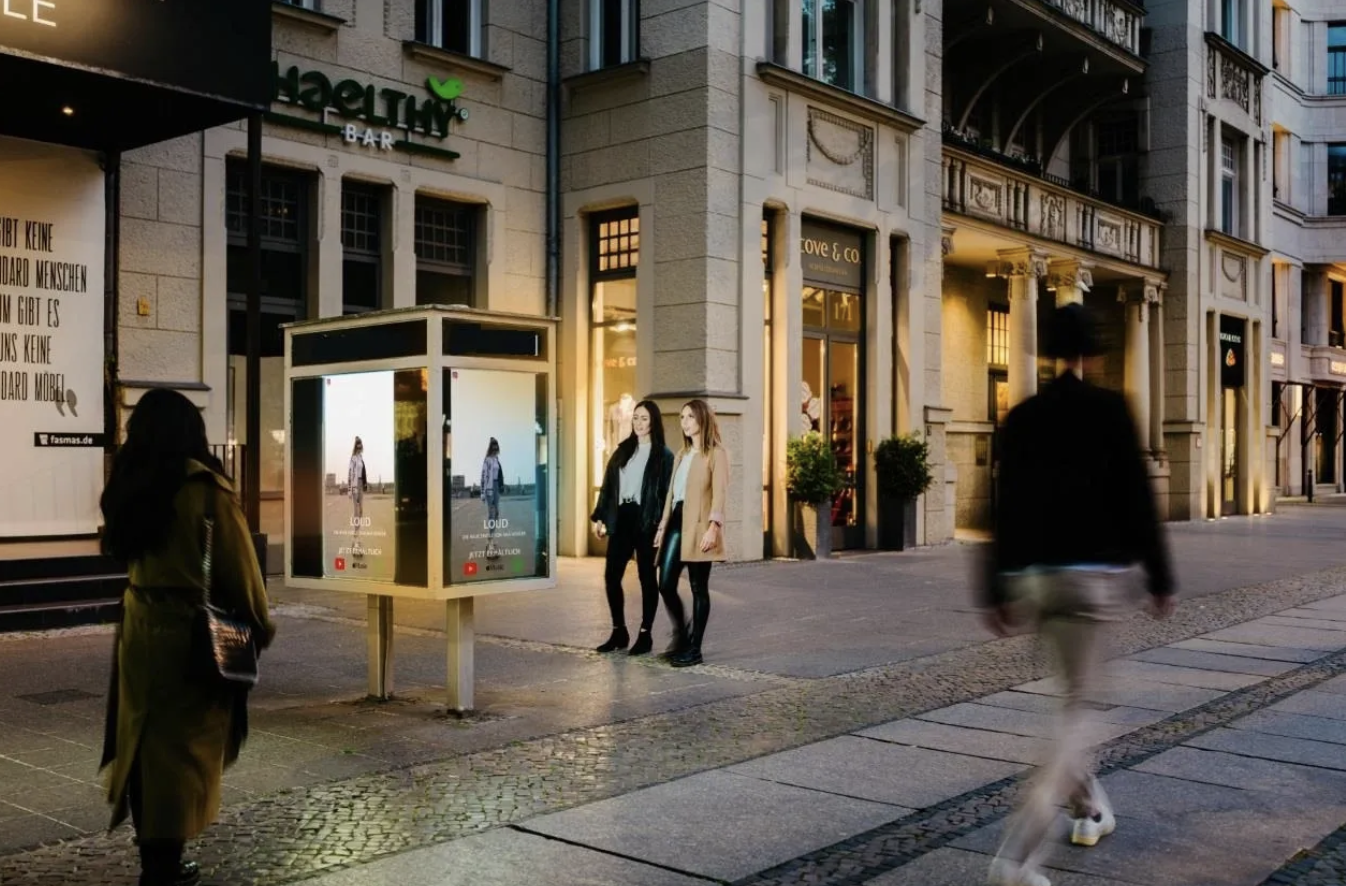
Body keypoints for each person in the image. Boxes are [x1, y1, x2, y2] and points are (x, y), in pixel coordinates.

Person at [982, 303, 1175, 886]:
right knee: (1081, 713)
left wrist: (995, 586)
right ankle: (1016, 857)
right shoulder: (1110, 411)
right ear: (1091, 354)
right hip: (1092, 580)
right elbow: (1138, 500)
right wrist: (1161, 577)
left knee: (1071, 697)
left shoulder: (1022, 417)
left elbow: (1004, 507)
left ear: (1046, 354)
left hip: (1037, 578)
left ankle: (1089, 807)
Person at [98, 389, 276, 886]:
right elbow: (241, 573)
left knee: (142, 743)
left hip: (138, 629)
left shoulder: (130, 484)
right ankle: (165, 866)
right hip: (186, 636)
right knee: (181, 755)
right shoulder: (205, 490)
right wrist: (259, 626)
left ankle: (153, 857)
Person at [590, 399, 674, 655]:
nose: (639, 423)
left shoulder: (664, 455)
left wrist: (661, 526)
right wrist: (601, 516)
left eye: (644, 418)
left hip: (646, 519)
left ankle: (645, 634)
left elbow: (666, 494)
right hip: (622, 516)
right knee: (611, 576)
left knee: (647, 579)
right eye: (636, 418)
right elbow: (608, 486)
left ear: (653, 422)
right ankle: (619, 631)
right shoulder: (623, 450)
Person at [654, 399, 729, 667]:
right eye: (682, 417)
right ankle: (682, 635)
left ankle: (694, 649)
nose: (684, 422)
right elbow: (672, 495)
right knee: (665, 583)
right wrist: (663, 526)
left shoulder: (715, 454)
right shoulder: (681, 455)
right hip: (676, 520)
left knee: (699, 587)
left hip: (700, 525)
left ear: (702, 420)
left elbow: (719, 495)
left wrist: (713, 528)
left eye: (689, 417)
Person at [480, 438, 503, 547]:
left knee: (497, 513)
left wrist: (501, 486)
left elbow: (499, 475)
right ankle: (491, 539)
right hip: (489, 489)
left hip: (496, 487)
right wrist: (482, 493)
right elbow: (483, 476)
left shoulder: (496, 459)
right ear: (491, 447)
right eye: (493, 446)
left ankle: (490, 536)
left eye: (496, 446)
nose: (495, 448)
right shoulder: (487, 460)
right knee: (491, 514)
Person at [347, 437, 367, 555]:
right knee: (356, 511)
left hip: (360, 484)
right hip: (355, 486)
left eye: (361, 445)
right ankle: (355, 539)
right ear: (356, 446)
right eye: (358, 445)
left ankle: (356, 534)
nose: (359, 447)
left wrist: (364, 484)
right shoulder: (353, 458)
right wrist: (349, 490)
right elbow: (350, 473)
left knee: (361, 512)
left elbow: (363, 473)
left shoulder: (361, 458)